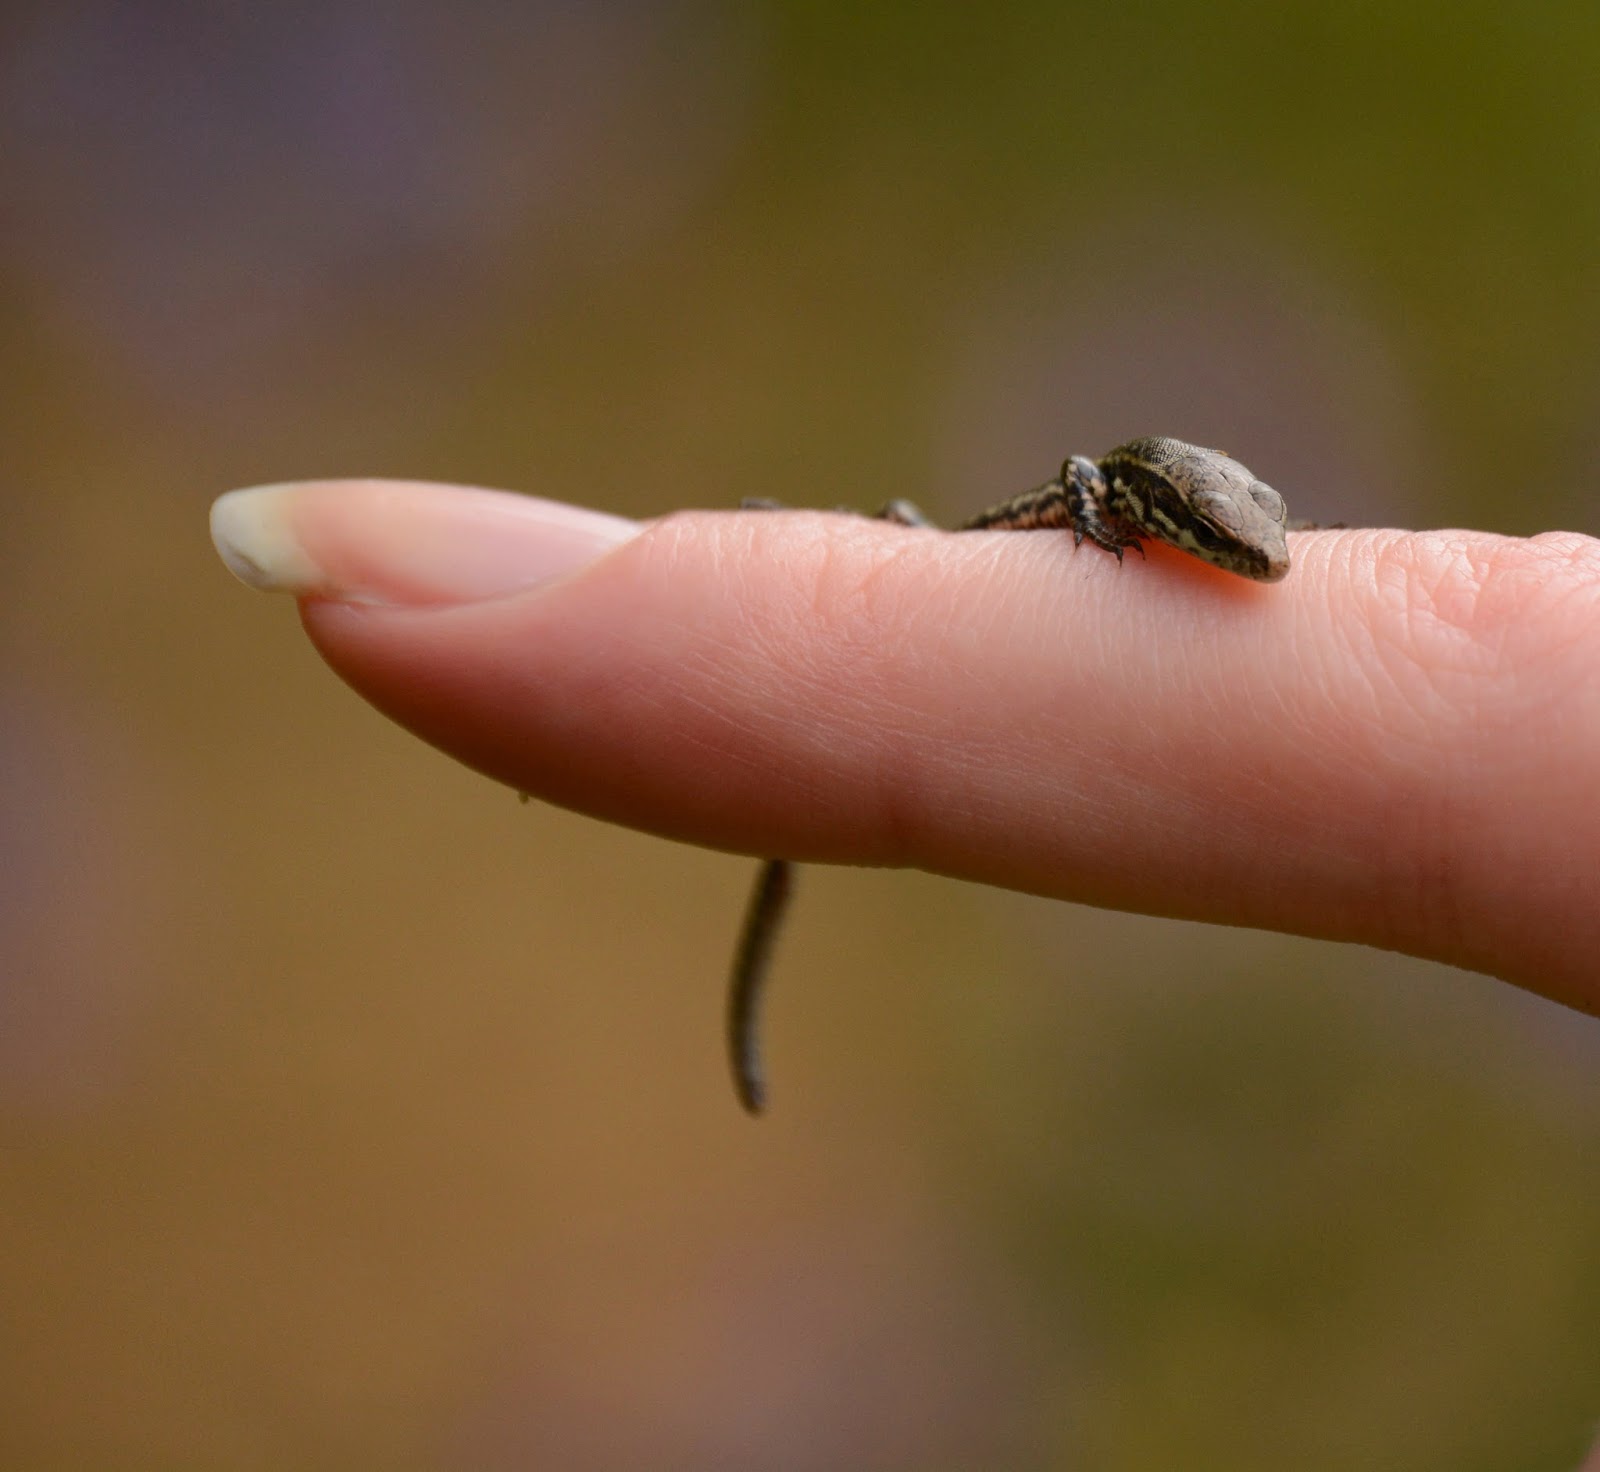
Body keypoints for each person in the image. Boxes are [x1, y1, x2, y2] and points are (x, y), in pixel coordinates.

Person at [209, 476, 1600, 1018]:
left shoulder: (1226, 523)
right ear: (1181, 522)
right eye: (1233, 546)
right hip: (1009, 523)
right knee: (890, 580)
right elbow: (1088, 481)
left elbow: (1263, 534)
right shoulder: (1121, 501)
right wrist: (1095, 535)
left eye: (1248, 543)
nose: (1254, 564)